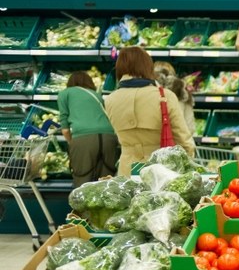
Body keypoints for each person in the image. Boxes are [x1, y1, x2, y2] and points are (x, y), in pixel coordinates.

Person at [105, 47, 195, 176]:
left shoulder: (110, 99)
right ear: (147, 66)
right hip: (161, 171)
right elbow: (183, 139)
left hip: (127, 171)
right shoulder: (164, 96)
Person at [57, 71, 118, 187]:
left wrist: (72, 142)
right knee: (106, 183)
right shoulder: (97, 95)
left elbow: (65, 129)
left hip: (83, 138)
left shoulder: (65, 94)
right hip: (108, 137)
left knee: (83, 182)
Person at [154, 61, 196, 136]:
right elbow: (190, 127)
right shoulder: (183, 92)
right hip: (177, 142)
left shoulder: (148, 91)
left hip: (151, 142)